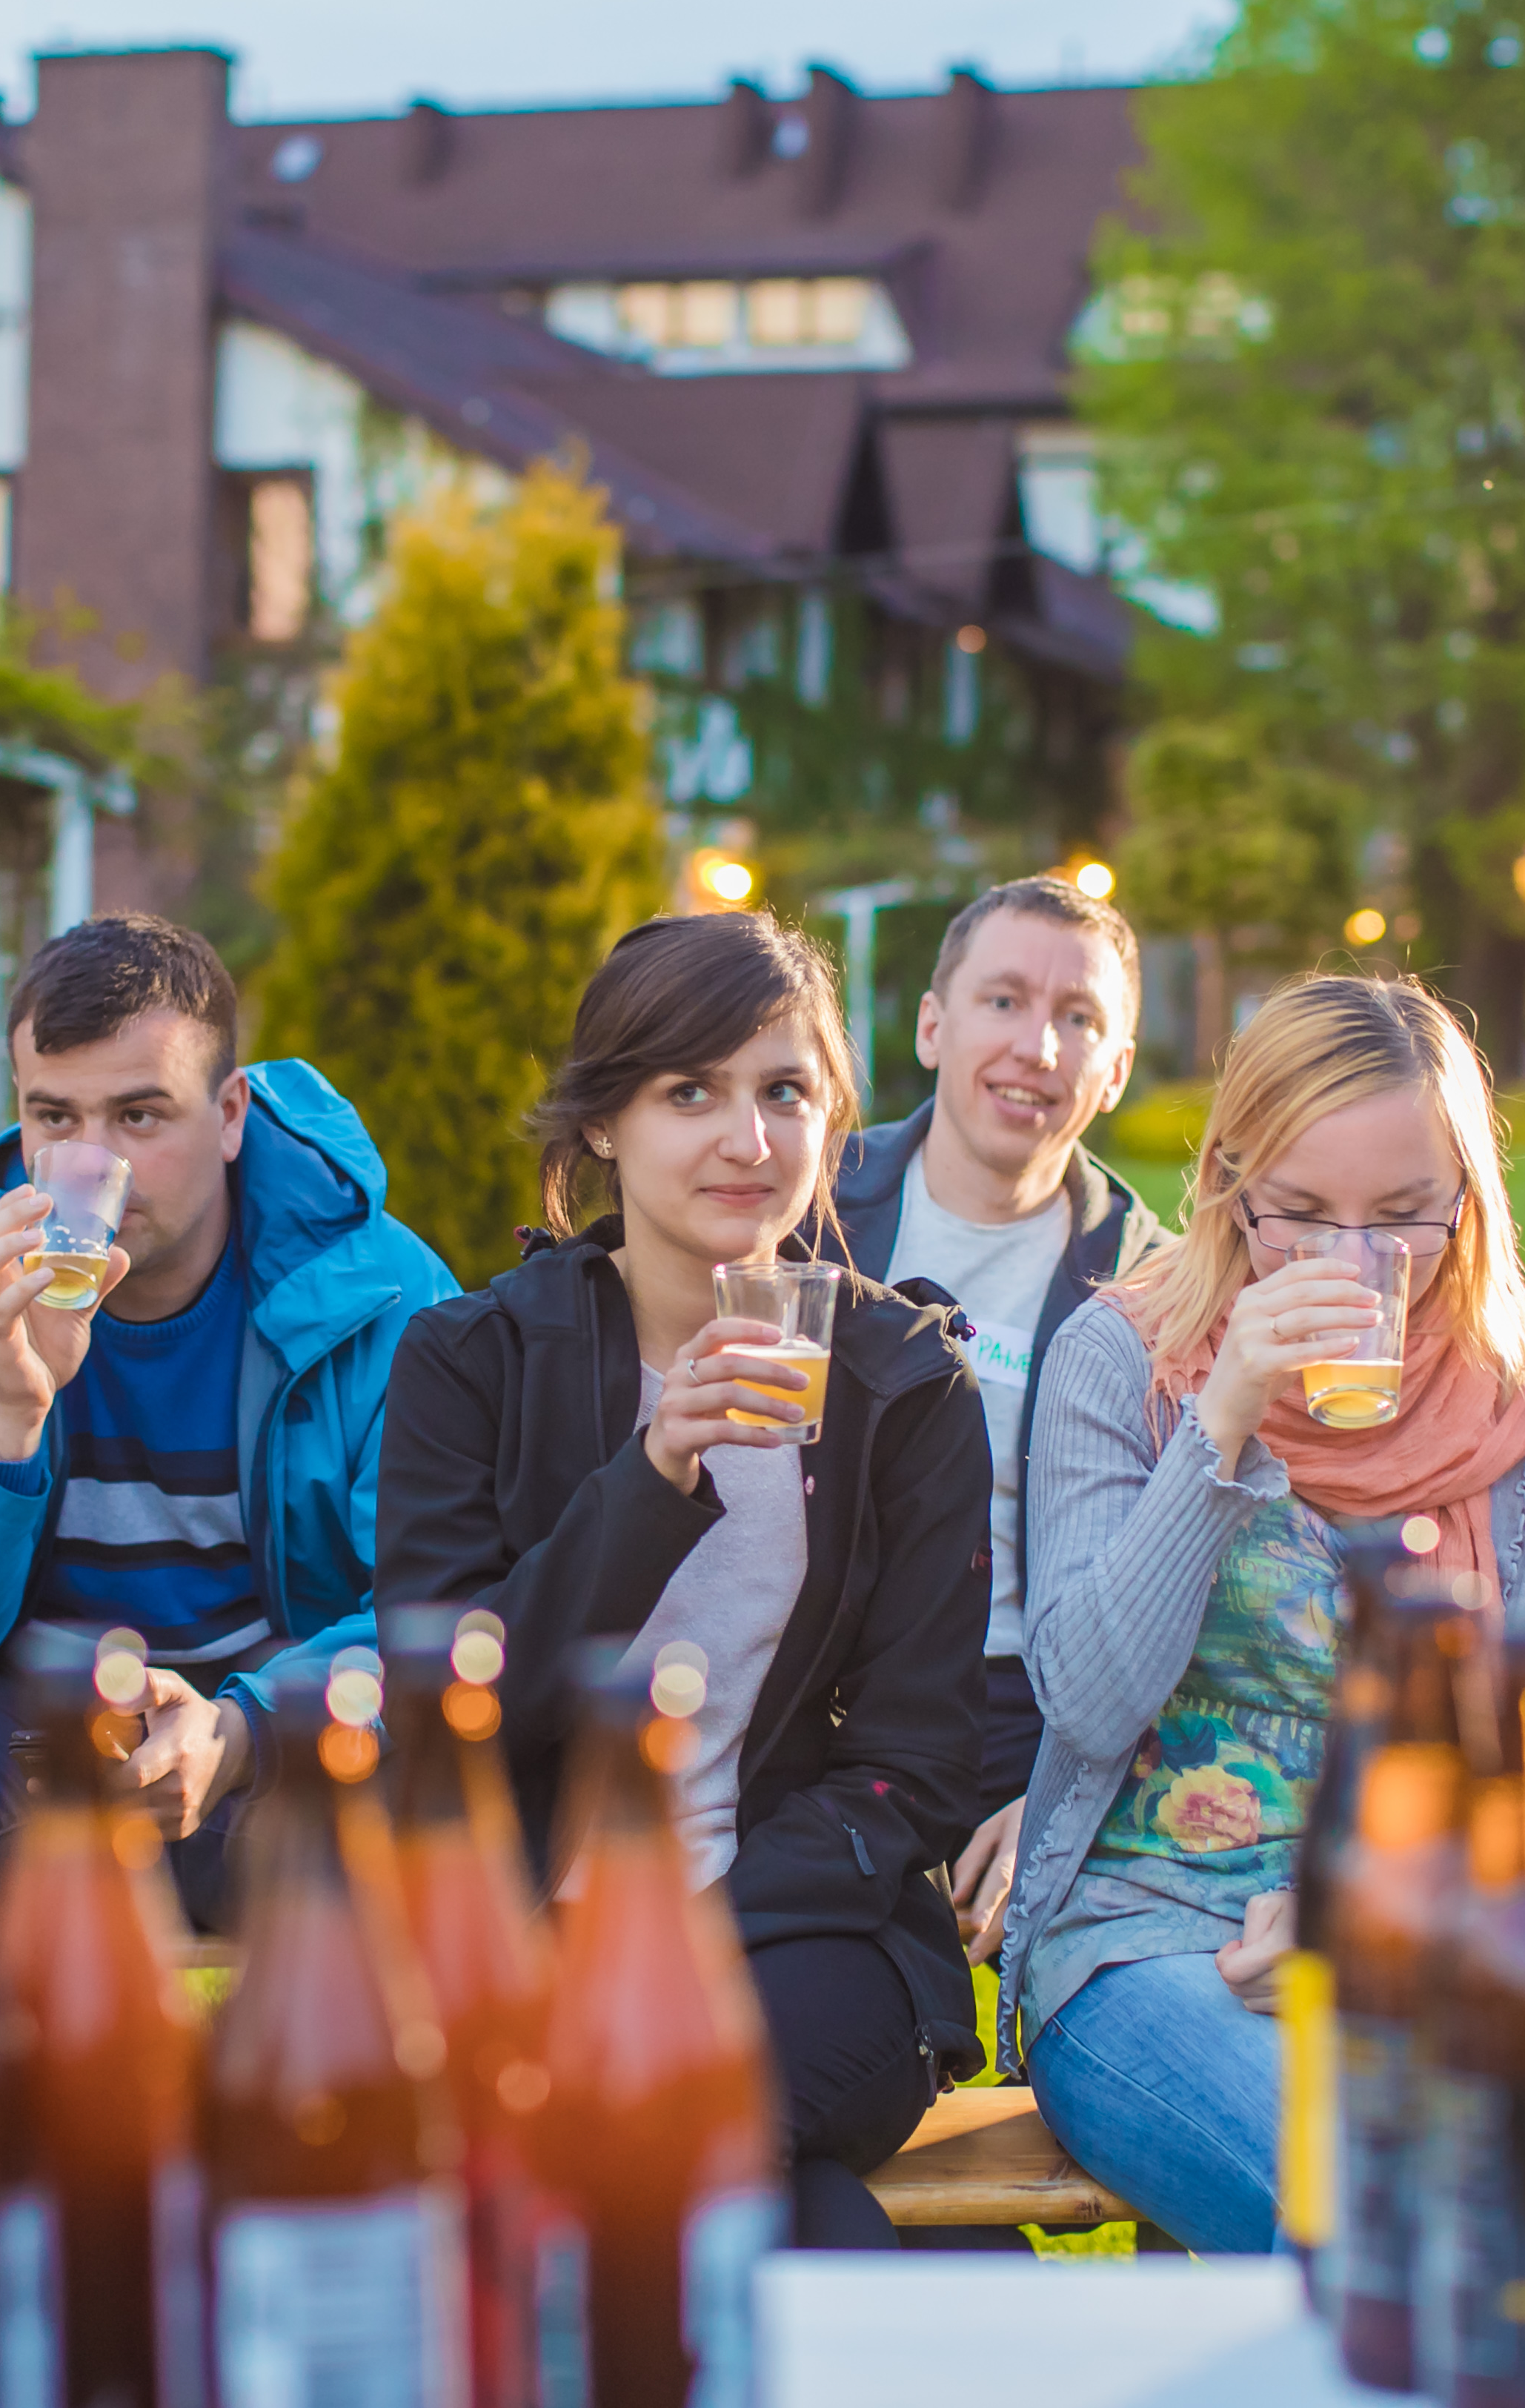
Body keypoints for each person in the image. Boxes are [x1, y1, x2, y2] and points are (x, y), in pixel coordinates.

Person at [373, 911, 994, 2249]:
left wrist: (689, 1927)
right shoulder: (470, 1360)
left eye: (785, 1090)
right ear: (602, 1123)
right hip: (536, 1917)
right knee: (781, 2202)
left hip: (811, 1938)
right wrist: (652, 1476)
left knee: (641, 2122)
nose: (748, 1138)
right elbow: (442, 1707)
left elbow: (917, 1760)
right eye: (689, 1091)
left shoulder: (903, 1381)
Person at [1006, 972, 1525, 2254]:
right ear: (1228, 1181)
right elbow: (1089, 1695)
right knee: (1375, 2206)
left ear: (1466, 1199)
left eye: (1402, 1216)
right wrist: (1219, 1419)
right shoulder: (1121, 1362)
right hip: (1150, 1934)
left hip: (1434, 1935)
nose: (1353, 1261)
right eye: (1302, 1214)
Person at [0, 914, 459, 1906]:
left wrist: (244, 1729)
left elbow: (436, 1605)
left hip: (285, 1747)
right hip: (18, 1741)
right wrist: (4, 1425)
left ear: (230, 1112)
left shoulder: (383, 1294)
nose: (92, 1164)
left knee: (476, 1808)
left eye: (140, 1116)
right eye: (54, 1119)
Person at [829, 876, 1166, 1969]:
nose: (1040, 1046)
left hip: (1028, 1693)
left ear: (1114, 1069)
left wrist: (1064, 1790)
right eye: (1005, 1001)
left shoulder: (1152, 1286)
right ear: (933, 1025)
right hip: (825, 1675)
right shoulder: (812, 1209)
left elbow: (1171, 1577)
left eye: (1080, 1019)